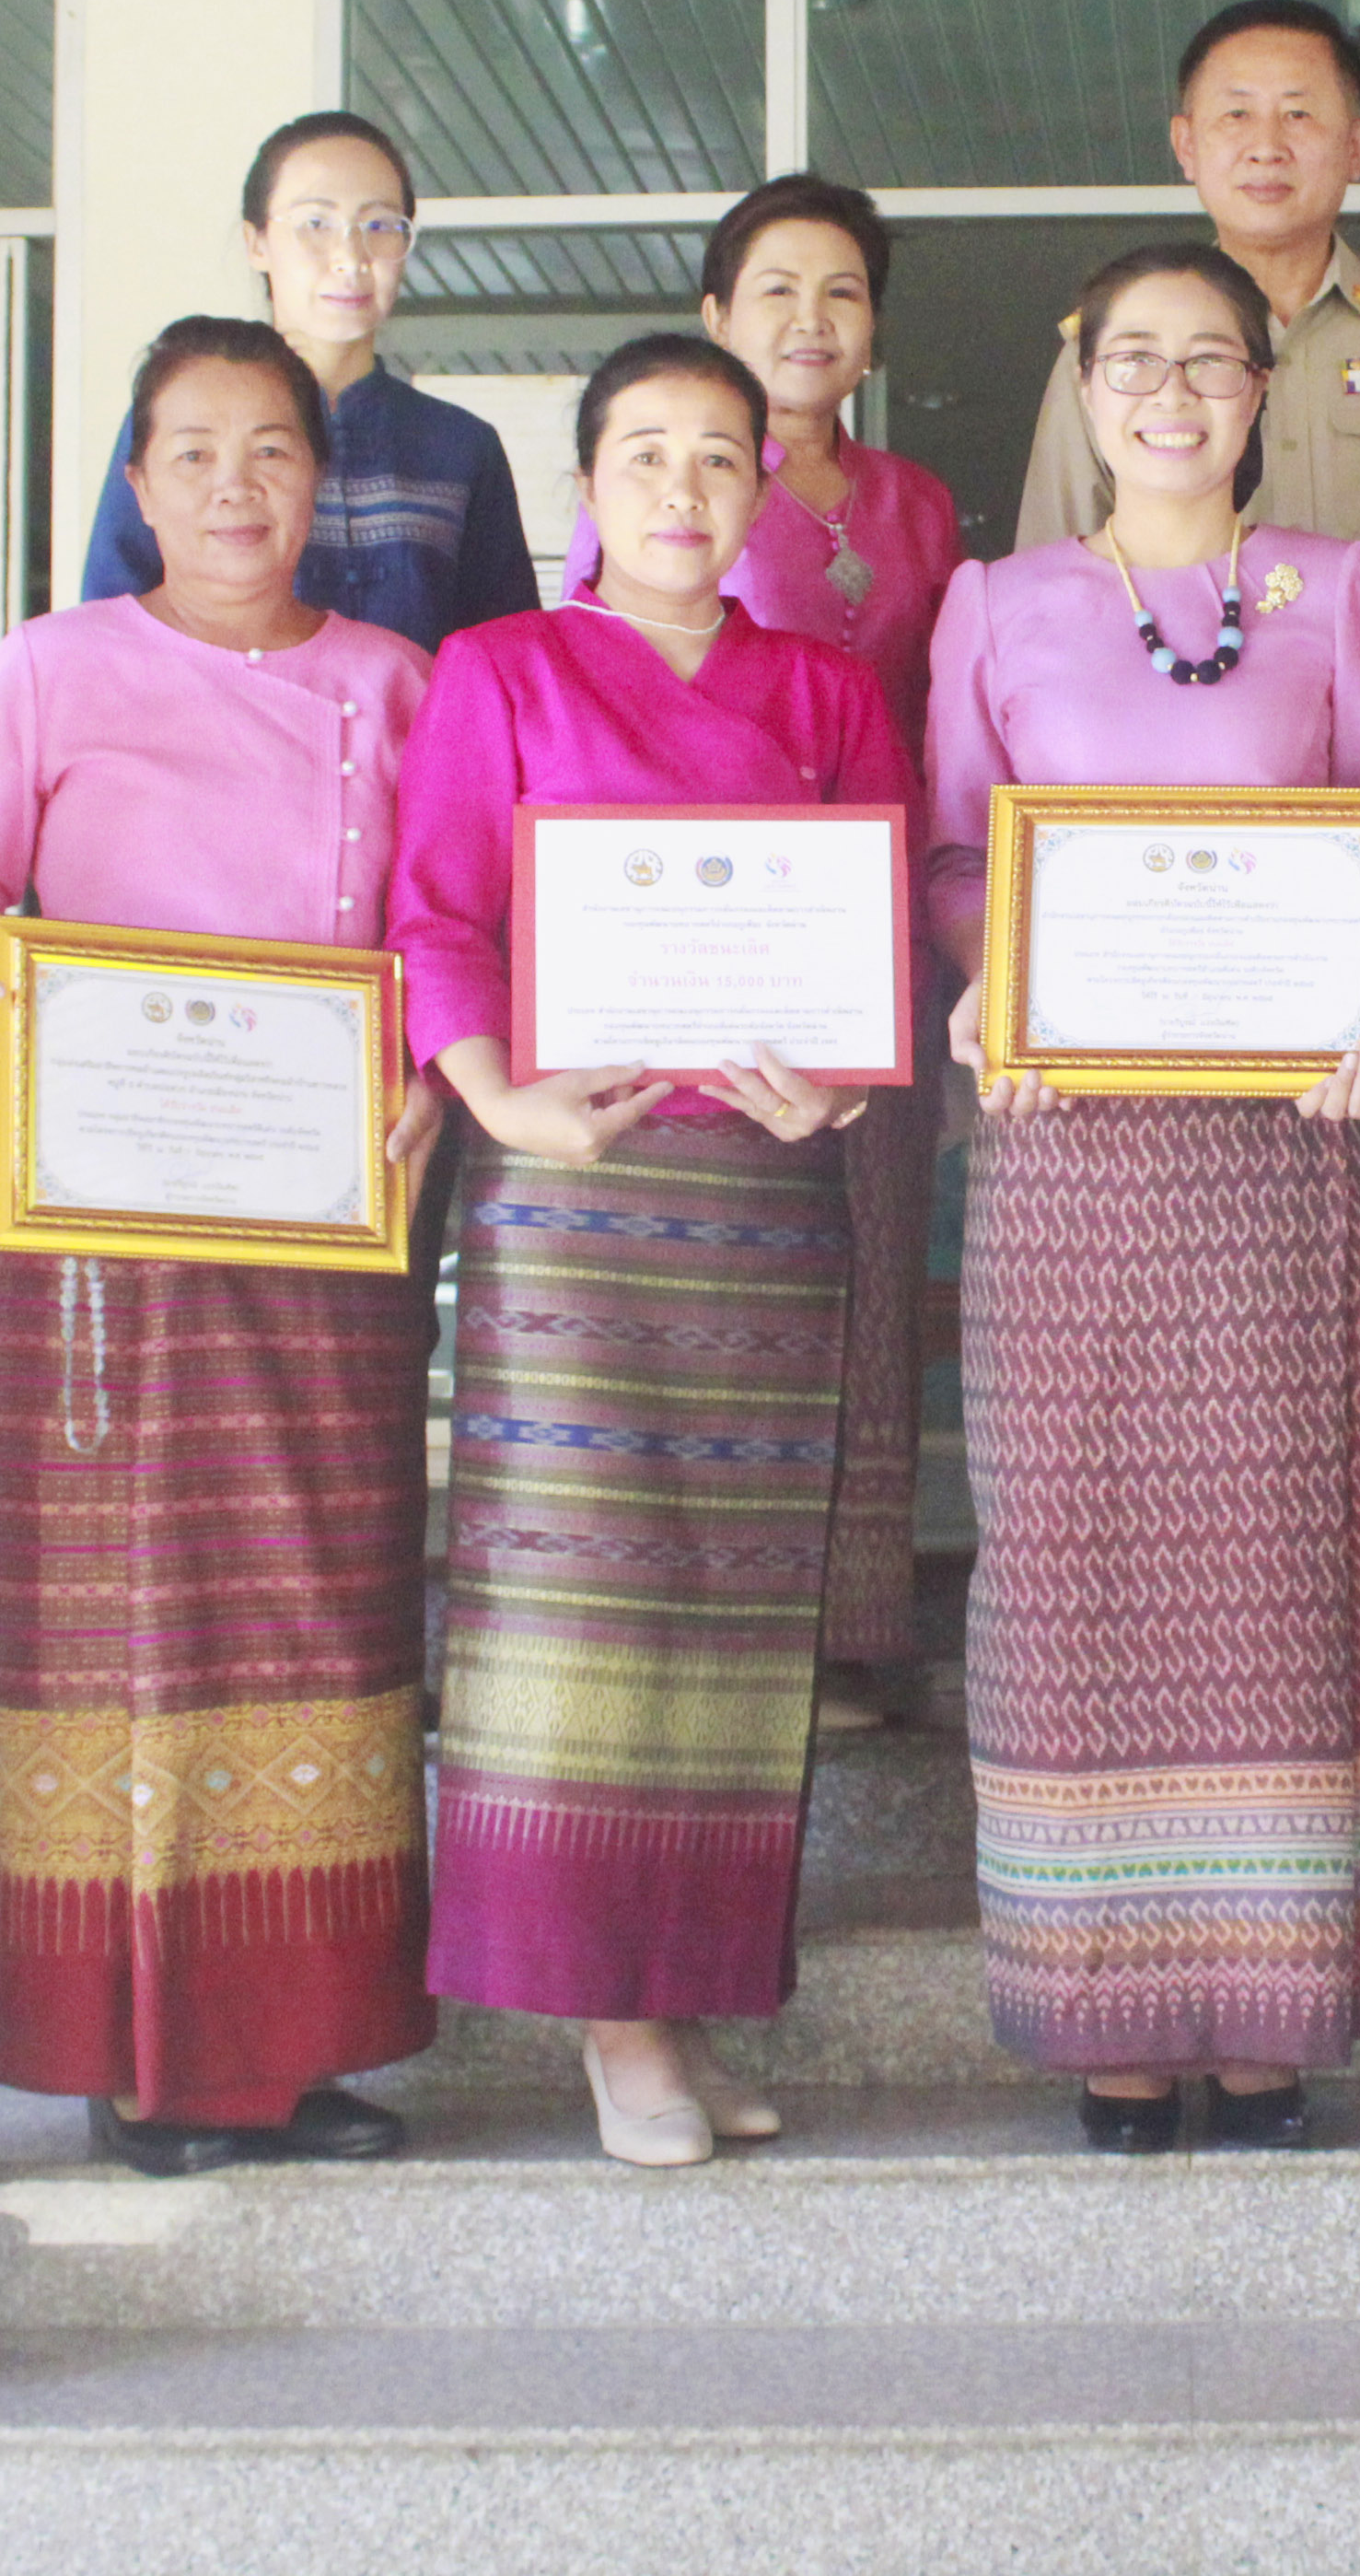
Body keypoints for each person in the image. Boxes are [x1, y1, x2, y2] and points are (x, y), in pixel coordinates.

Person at [0, 318, 448, 2178]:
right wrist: (19, 1005)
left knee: (326, 1610)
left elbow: (450, 927)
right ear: (136, 486)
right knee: (136, 1641)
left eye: (273, 450)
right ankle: (142, 2063)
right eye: (193, 450)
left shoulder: (396, 680)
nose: (235, 482)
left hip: (323, 1227)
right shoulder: (56, 668)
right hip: (109, 1236)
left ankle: (291, 2051)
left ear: (323, 484)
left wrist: (436, 1085)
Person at [933, 239, 1360, 2151]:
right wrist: (990, 962)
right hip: (1073, 1163)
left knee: (1282, 1560)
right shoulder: (996, 604)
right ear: (1083, 389)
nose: (1171, 393)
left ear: (1261, 393)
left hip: (1284, 1160)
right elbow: (949, 853)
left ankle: (1269, 2002)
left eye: (1209, 363)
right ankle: (1113, 2012)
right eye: (1134, 361)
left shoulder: (1343, 589)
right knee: (1078, 1567)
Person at [393, 333, 914, 2168]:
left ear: (760, 485)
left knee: (731, 1613)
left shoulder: (821, 688)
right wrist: (493, 1098)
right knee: (581, 1614)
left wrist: (840, 1089)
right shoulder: (501, 668)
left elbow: (875, 912)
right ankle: (607, 2027)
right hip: (576, 1198)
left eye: (716, 456)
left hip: (767, 1208)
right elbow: (440, 906)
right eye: (644, 457)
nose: (684, 490)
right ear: (586, 491)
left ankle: (679, 1999)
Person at [563, 174, 965, 1671]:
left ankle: (854, 1629)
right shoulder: (668, 484)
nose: (811, 317)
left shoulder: (915, 501)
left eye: (843, 291)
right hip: (694, 954)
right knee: (750, 1272)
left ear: (870, 331)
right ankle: (734, 1615)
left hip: (867, 941)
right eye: (775, 289)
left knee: (872, 1262)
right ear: (719, 316)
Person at [1011, 0, 1360, 650]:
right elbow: (1049, 586)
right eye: (1236, 114)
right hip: (1190, 728)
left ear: (1355, 146)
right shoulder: (1117, 348)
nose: (1266, 147)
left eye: (1298, 114)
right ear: (1186, 145)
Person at [82, 109, 541, 652]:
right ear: (257, 243)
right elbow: (110, 636)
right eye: (315, 224)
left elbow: (511, 659)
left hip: (417, 737)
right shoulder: (176, 422)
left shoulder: (461, 448)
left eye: (380, 226)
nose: (350, 257)